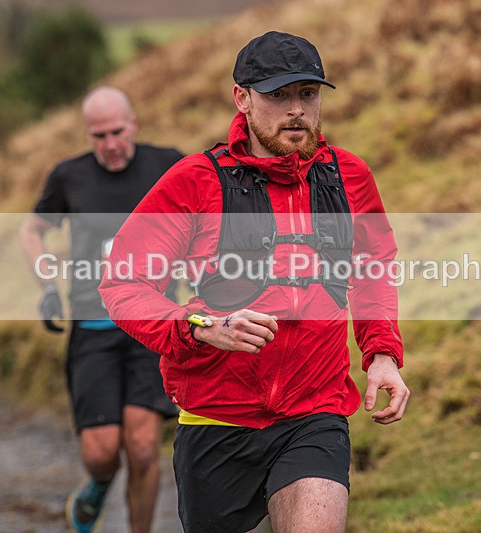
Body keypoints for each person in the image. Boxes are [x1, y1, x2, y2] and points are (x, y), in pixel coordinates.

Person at [99, 31, 410, 532]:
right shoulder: (195, 181)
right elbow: (123, 283)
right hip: (216, 418)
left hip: (314, 412)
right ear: (241, 98)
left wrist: (381, 355)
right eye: (278, 95)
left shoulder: (348, 176)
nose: (296, 110)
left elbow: (374, 268)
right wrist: (199, 325)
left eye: (308, 94)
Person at [19, 86, 183, 533]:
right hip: (92, 323)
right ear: (87, 136)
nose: (110, 144)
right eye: (98, 136)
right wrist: (47, 286)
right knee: (101, 451)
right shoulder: (69, 177)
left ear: (134, 123)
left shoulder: (168, 164)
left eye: (116, 131)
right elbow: (33, 230)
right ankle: (97, 485)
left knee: (144, 446)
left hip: (153, 324)